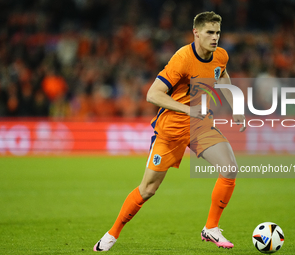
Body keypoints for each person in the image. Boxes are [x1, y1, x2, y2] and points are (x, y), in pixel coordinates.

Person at [93, 11, 246, 252]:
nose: (215, 37)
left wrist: (235, 105)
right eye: (209, 32)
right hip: (171, 129)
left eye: (217, 32)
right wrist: (187, 109)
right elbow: (153, 94)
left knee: (229, 168)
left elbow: (222, 75)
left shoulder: (221, 56)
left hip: (200, 126)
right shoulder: (182, 59)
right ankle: (113, 233)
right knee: (148, 189)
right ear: (196, 33)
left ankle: (211, 228)